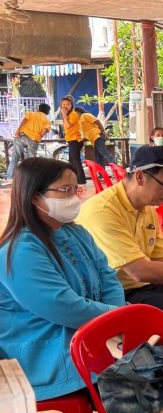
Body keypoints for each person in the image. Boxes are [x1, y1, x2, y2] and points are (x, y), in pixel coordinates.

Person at [0, 158, 125, 400]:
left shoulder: (76, 233)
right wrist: (118, 319)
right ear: (34, 197)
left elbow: (108, 277)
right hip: (47, 354)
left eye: (75, 189)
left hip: (89, 332)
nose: (74, 198)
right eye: (65, 190)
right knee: (142, 378)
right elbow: (62, 306)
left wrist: (120, 319)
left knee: (160, 355)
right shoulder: (20, 250)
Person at [76, 145, 163, 314]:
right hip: (115, 295)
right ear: (140, 177)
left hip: (143, 285)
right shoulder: (104, 211)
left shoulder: (147, 209)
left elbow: (160, 258)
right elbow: (140, 271)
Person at [4, 102, 51, 182]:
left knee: (15, 157)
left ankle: (9, 177)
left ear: (38, 109)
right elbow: (43, 132)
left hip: (22, 136)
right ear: (47, 112)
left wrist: (17, 131)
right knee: (31, 161)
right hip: (34, 140)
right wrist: (38, 137)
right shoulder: (47, 121)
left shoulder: (31, 113)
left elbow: (24, 121)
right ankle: (29, 179)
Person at [60, 96, 86, 185]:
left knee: (76, 160)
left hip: (75, 140)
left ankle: (81, 180)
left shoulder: (73, 114)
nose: (65, 106)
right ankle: (73, 178)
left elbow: (68, 126)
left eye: (67, 104)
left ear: (71, 105)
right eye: (63, 104)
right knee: (72, 161)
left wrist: (64, 115)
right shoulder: (68, 115)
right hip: (71, 140)